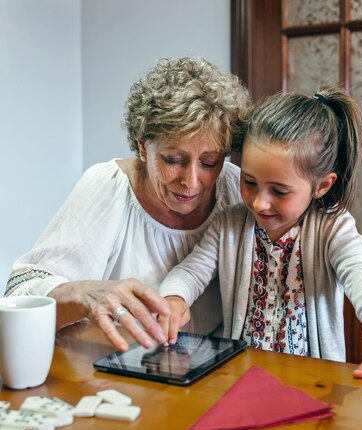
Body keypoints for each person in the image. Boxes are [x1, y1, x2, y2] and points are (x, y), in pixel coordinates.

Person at [159, 86, 362, 394]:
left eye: (279, 191)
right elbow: (192, 270)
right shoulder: (230, 223)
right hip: (240, 378)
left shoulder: (333, 229)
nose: (259, 203)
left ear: (321, 185)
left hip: (313, 384)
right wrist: (174, 297)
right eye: (249, 182)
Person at [5, 57, 250, 352]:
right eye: (174, 160)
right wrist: (85, 294)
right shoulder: (109, 187)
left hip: (215, 370)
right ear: (143, 146)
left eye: (210, 162)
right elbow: (18, 293)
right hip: (118, 365)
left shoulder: (238, 189)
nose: (192, 181)